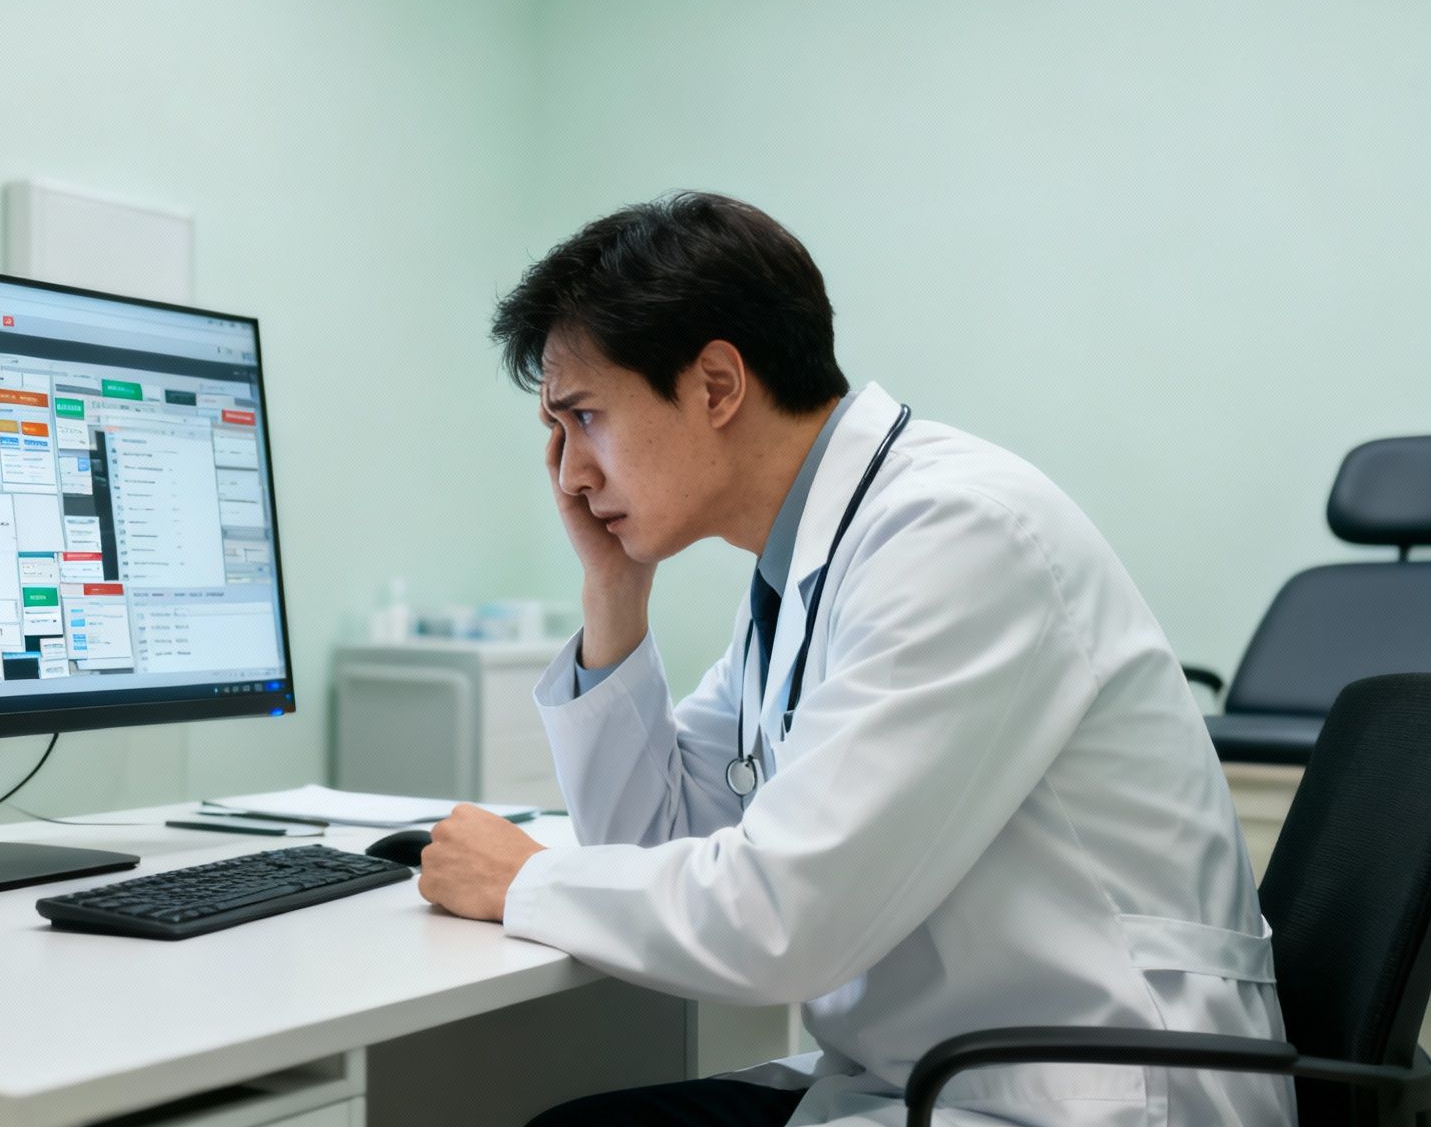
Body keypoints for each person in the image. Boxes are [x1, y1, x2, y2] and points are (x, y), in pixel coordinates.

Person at [414, 192, 1294, 1127]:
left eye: (584, 418)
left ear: (716, 385)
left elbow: (783, 923)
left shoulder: (955, 535)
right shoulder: (804, 571)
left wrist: (525, 879)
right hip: (949, 1072)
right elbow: (651, 846)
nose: (570, 474)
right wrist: (612, 592)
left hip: (1094, 1089)